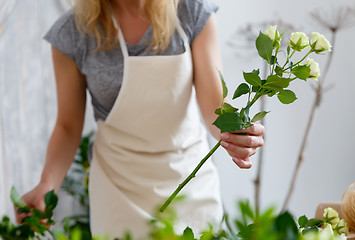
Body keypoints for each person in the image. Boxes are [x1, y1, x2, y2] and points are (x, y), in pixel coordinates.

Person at [15, 0, 264, 238]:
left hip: (190, 182)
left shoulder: (191, 11)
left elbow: (214, 103)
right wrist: (47, 185)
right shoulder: (73, 33)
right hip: (117, 191)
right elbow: (68, 126)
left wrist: (235, 130)